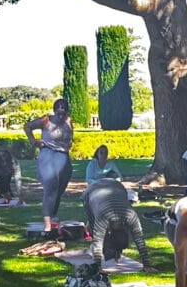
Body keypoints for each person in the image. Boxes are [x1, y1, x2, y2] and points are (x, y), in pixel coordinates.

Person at [26, 98, 74, 232]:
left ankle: (53, 216)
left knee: (59, 189)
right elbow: (27, 126)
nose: (61, 115)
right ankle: (47, 224)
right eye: (58, 112)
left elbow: (70, 137)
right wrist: (33, 141)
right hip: (48, 153)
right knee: (51, 186)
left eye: (63, 112)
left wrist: (69, 143)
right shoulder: (46, 120)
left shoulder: (69, 121)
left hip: (63, 155)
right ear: (54, 111)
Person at [85, 176, 149, 267]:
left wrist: (146, 264)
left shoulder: (131, 216)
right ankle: (102, 254)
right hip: (92, 191)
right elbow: (98, 240)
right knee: (93, 228)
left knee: (108, 243)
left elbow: (139, 239)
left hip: (116, 186)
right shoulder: (103, 215)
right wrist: (98, 267)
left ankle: (113, 252)